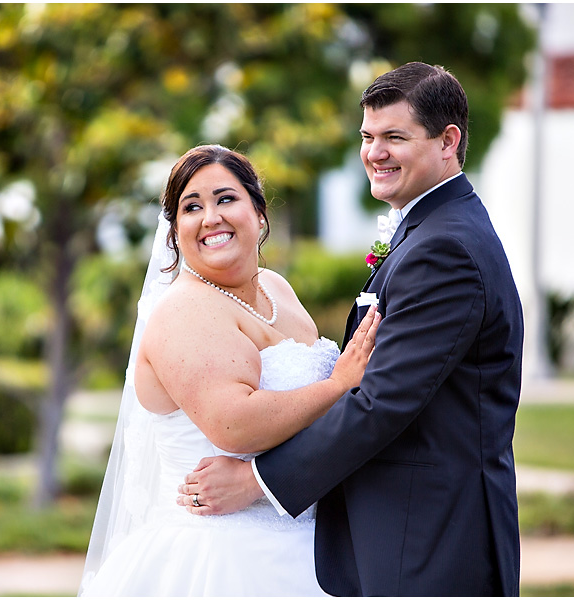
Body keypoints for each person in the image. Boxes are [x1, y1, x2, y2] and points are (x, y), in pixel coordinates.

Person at [177, 62, 525, 596]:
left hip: (428, 539)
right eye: (367, 137)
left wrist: (255, 482)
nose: (374, 153)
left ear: (447, 141)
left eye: (394, 137)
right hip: (403, 534)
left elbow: (380, 403)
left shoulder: (444, 249)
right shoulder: (432, 230)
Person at [79, 144, 381, 596]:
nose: (210, 217)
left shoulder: (276, 288)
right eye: (191, 207)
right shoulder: (184, 309)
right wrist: (339, 384)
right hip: (222, 556)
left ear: (258, 214)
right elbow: (235, 425)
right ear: (175, 231)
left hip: (308, 539)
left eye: (225, 199)